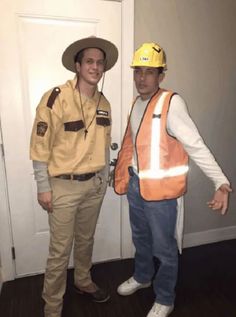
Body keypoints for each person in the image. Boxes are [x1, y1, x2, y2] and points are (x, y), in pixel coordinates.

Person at [114, 42, 232, 317]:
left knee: (165, 249)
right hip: (136, 186)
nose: (141, 78)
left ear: (161, 75)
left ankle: (165, 298)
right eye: (138, 72)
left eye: (149, 72)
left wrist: (220, 182)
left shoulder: (171, 103)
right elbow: (132, 144)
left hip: (162, 196)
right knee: (140, 239)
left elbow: (196, 145)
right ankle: (143, 276)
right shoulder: (137, 102)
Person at [30, 36, 118, 317]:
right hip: (63, 187)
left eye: (100, 62)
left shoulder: (104, 102)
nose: (95, 67)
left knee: (86, 239)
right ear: (78, 66)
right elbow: (39, 147)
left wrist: (104, 179)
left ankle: (83, 280)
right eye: (89, 61)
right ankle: (52, 307)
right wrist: (43, 186)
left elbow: (104, 145)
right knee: (59, 251)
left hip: (94, 185)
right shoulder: (55, 98)